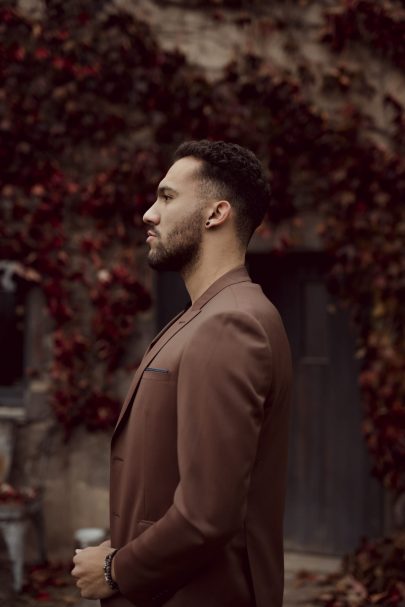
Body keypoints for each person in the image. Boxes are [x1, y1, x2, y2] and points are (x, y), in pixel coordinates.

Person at [72, 140, 292, 607]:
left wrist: (115, 571)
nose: (149, 214)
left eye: (167, 197)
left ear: (216, 214)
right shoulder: (210, 314)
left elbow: (207, 515)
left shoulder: (230, 324)